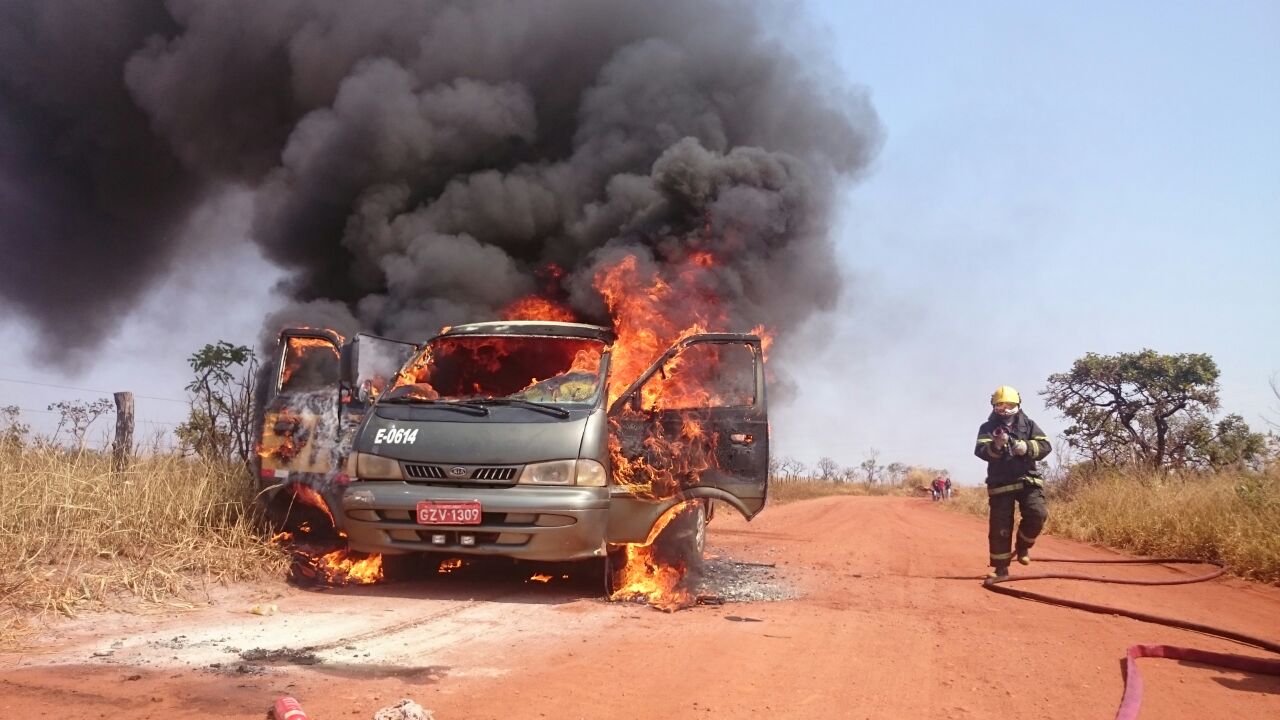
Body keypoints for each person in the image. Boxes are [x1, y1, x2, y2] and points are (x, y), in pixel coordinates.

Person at [974, 386, 1052, 578]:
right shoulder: (987, 428)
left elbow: (1045, 445)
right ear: (994, 406)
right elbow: (981, 451)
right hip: (1001, 484)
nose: (1005, 409)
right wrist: (996, 445)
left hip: (1027, 480)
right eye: (1000, 405)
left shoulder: (1029, 424)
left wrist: (1027, 447)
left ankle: (1023, 546)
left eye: (1009, 404)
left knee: (1037, 514)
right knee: (1000, 527)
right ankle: (1001, 569)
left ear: (1017, 404)